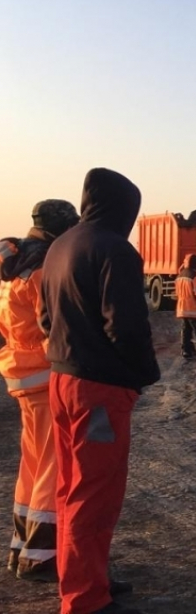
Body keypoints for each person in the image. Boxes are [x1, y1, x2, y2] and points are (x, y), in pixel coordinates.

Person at [39, 168, 160, 614]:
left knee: (72, 485)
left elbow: (45, 320)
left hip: (62, 380)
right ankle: (85, 597)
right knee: (96, 492)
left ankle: (90, 578)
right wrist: (145, 373)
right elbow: (126, 326)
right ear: (124, 208)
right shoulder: (115, 251)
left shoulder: (59, 246)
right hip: (100, 392)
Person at [1, 199, 79, 584]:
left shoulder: (10, 266)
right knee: (52, 463)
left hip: (19, 375)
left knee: (31, 463)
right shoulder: (44, 267)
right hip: (46, 376)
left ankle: (22, 546)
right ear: (60, 227)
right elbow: (54, 325)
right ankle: (41, 556)